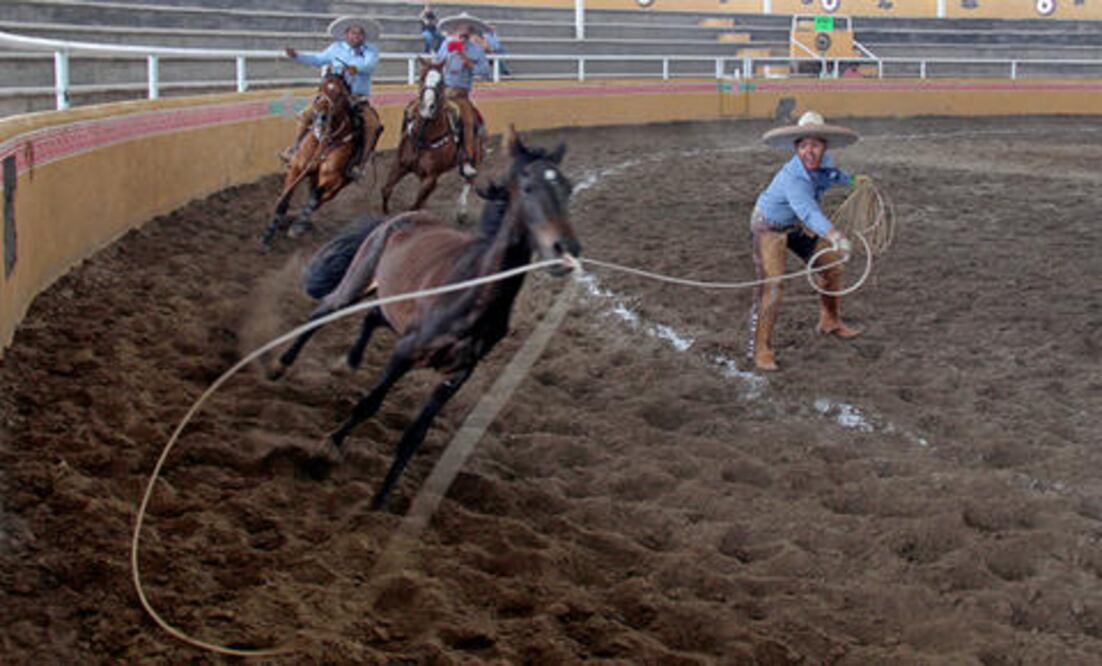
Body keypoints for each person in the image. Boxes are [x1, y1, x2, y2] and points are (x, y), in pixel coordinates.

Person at [747, 110, 865, 372]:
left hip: (796, 226)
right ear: (796, 148)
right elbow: (809, 212)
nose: (809, 151)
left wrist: (854, 181)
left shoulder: (825, 163)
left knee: (831, 264)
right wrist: (835, 236)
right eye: (803, 145)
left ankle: (829, 320)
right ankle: (760, 349)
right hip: (769, 227)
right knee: (772, 286)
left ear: (824, 147)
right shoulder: (794, 178)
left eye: (815, 145)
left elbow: (831, 175)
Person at [282, 16, 382, 175]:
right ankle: (295, 148)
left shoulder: (371, 50)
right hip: (334, 96)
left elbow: (369, 65)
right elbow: (318, 59)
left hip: (357, 98)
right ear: (346, 34)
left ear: (363, 36)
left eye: (359, 34)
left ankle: (361, 162)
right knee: (306, 115)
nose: (356, 36)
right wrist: (297, 56)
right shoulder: (336, 48)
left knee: (372, 125)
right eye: (352, 33)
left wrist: (355, 68)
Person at [434, 13, 492, 178]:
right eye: (460, 29)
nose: (463, 33)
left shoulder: (476, 49)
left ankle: (466, 158)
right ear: (455, 30)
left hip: (460, 94)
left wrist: (468, 62)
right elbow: (437, 62)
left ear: (471, 32)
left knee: (468, 121)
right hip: (442, 91)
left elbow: (485, 71)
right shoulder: (446, 45)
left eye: (467, 30)